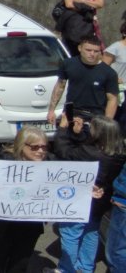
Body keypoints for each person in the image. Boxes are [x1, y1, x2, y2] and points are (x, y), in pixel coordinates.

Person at [52, 115, 124, 273]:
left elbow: (64, 151)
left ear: (99, 134)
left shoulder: (89, 152)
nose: (88, 129)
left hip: (80, 200)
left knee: (70, 233)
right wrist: (78, 134)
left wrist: (63, 130)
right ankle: (86, 268)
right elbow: (85, 146)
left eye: (91, 128)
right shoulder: (118, 155)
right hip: (100, 202)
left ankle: (66, 269)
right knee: (91, 232)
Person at [0, 126, 49, 272]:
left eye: (44, 147)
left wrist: (88, 190)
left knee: (21, 261)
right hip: (3, 223)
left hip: (30, 223)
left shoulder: (49, 162)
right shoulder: (4, 160)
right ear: (22, 145)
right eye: (35, 147)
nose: (41, 151)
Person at [48, 35, 119, 128]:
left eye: (96, 51)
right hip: (71, 113)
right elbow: (60, 86)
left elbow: (112, 99)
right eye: (88, 50)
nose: (92, 54)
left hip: (96, 116)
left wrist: (107, 123)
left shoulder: (108, 72)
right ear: (80, 48)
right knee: (63, 136)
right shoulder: (68, 64)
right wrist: (51, 110)